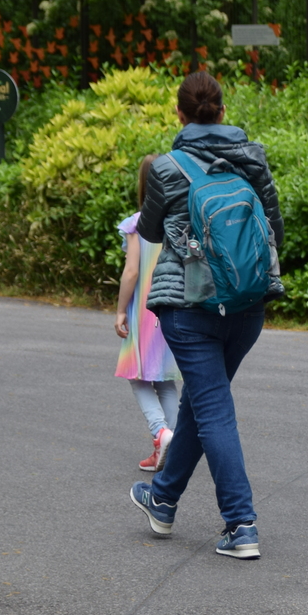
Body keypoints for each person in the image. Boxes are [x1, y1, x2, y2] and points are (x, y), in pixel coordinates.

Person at [128, 70, 284, 560]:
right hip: (248, 303)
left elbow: (150, 232)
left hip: (189, 307)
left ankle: (241, 524)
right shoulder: (253, 158)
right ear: (222, 109)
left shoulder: (167, 167)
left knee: (212, 407)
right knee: (202, 401)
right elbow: (275, 229)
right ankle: (162, 500)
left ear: (180, 113)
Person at [114, 158, 181, 473]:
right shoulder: (178, 222)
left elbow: (131, 272)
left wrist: (119, 311)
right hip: (173, 308)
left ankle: (160, 432)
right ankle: (175, 449)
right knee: (164, 379)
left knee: (137, 376)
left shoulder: (137, 224)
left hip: (144, 311)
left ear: (143, 184)